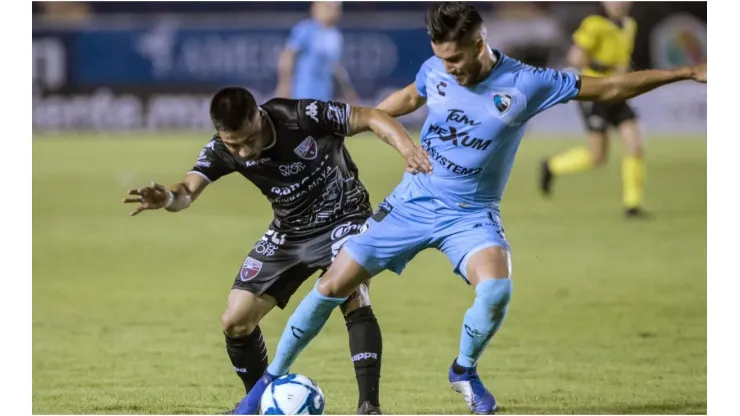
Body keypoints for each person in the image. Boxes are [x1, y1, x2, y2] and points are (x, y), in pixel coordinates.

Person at [236, 2, 707, 415]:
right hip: (412, 202)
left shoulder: (528, 82)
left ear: (480, 42)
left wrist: (685, 73)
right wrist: (367, 121)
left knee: (497, 290)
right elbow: (411, 95)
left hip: (471, 214)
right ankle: (265, 384)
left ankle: (463, 369)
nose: (451, 68)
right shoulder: (435, 69)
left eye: (457, 58)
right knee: (333, 284)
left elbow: (608, 89)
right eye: (443, 59)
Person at [122, 87, 431, 415]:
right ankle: (258, 402)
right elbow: (186, 191)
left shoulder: (299, 116)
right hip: (290, 232)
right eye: (233, 144)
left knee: (352, 294)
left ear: (259, 115)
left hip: (344, 215)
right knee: (235, 320)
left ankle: (369, 406)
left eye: (247, 140)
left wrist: (407, 149)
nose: (242, 152)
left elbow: (370, 116)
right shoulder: (222, 149)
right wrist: (167, 198)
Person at [540, 2, 647, 217]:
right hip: (596, 91)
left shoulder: (629, 25)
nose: (620, 3)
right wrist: (605, 67)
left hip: (618, 90)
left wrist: (624, 71)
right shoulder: (594, 24)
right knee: (597, 157)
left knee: (635, 143)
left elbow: (623, 59)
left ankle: (632, 205)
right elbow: (576, 58)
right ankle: (552, 166)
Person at [276, 1, 359, 103]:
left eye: (337, 8)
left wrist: (348, 92)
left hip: (324, 97)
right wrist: (284, 84)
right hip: (302, 95)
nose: (335, 11)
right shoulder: (305, 29)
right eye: (330, 7)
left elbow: (335, 67)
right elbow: (288, 56)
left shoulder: (335, 35)